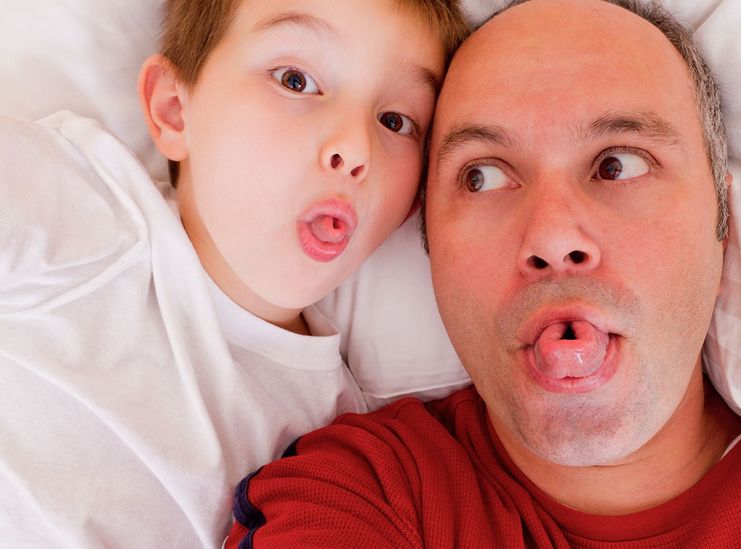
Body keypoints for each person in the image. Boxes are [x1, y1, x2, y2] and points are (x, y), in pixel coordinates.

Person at [226, 0, 741, 547]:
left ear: (721, 219)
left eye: (617, 164)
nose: (554, 238)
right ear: (429, 243)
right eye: (484, 176)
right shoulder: (358, 499)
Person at [0, 0, 467, 547]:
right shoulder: (85, 208)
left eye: (395, 121)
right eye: (296, 80)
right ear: (176, 110)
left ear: (411, 205)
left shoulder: (341, 439)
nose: (355, 148)